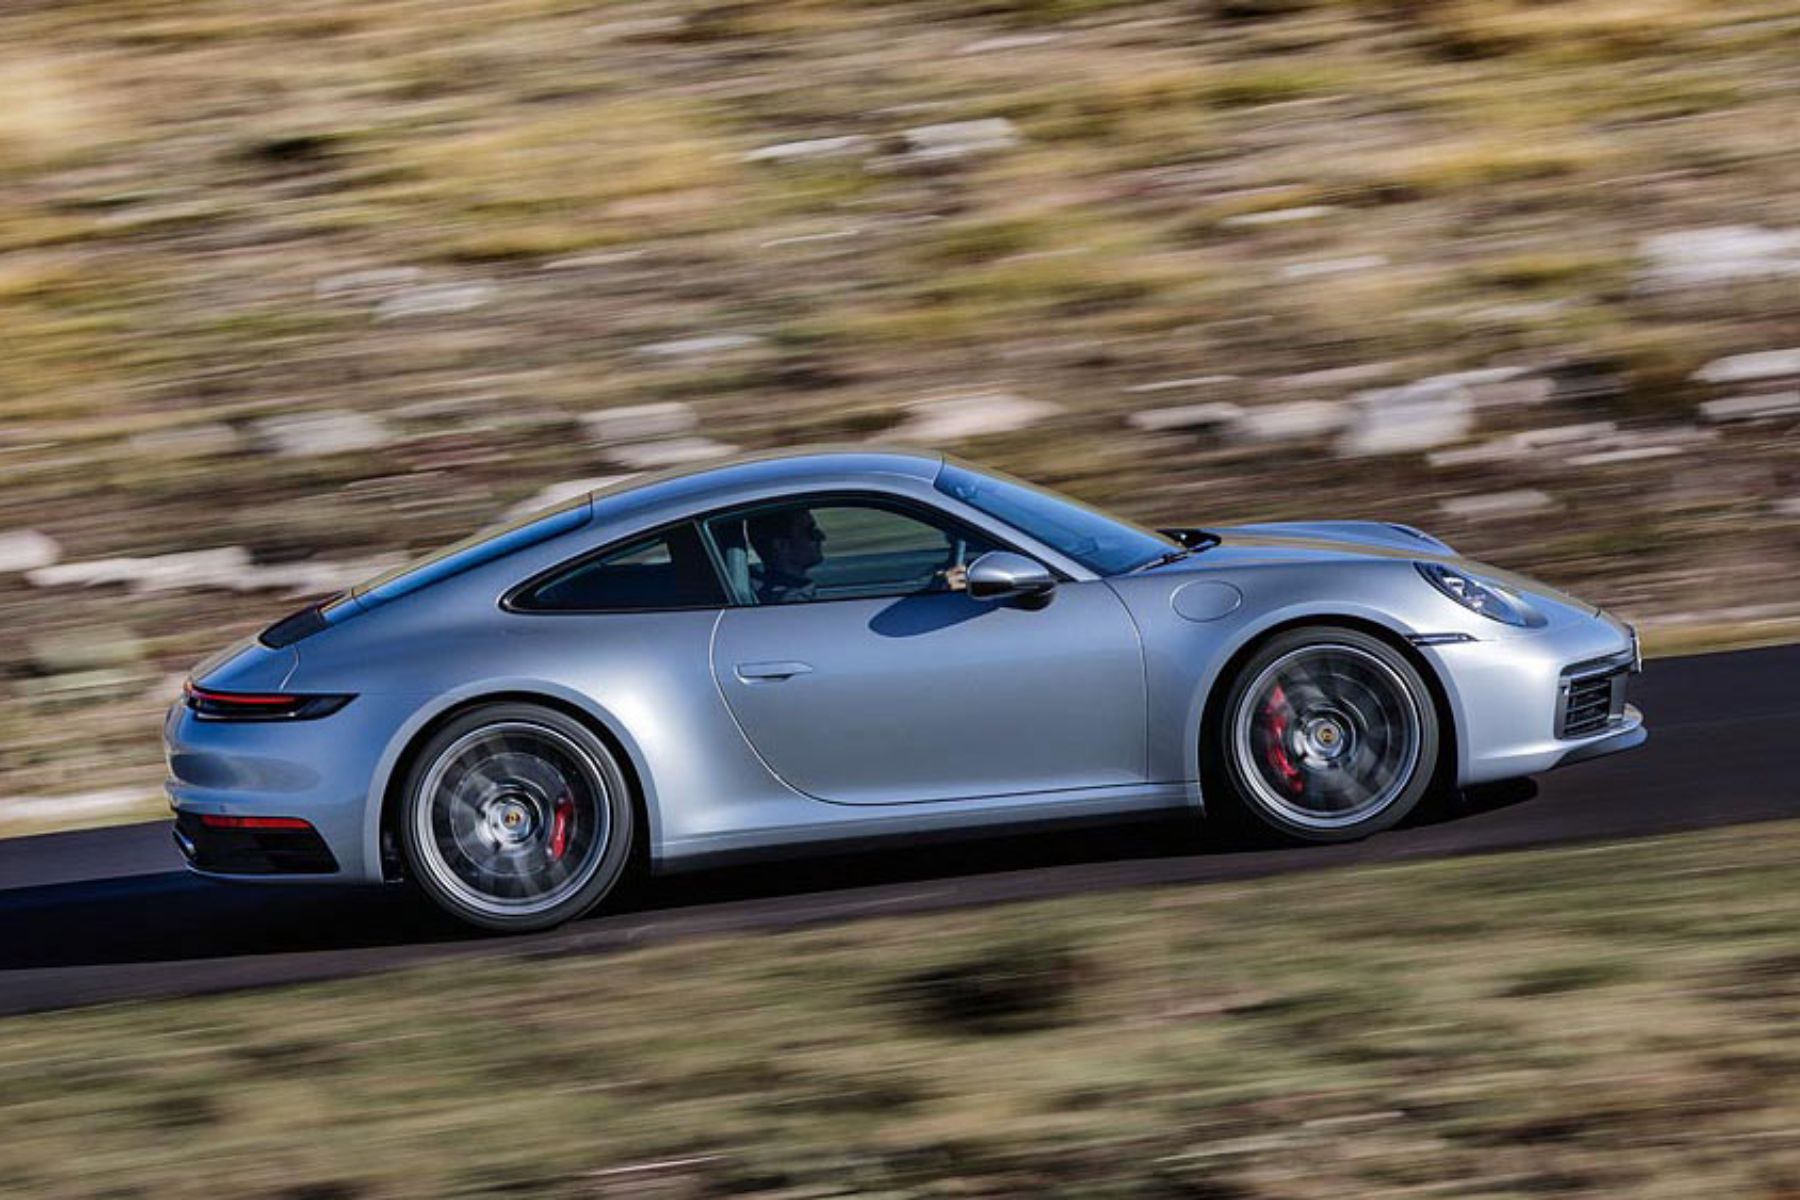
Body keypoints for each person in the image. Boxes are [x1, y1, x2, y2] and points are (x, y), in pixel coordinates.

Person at [746, 508, 826, 604]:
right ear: (782, 545)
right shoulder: (794, 603)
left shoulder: (786, 594)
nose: (821, 536)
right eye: (810, 532)